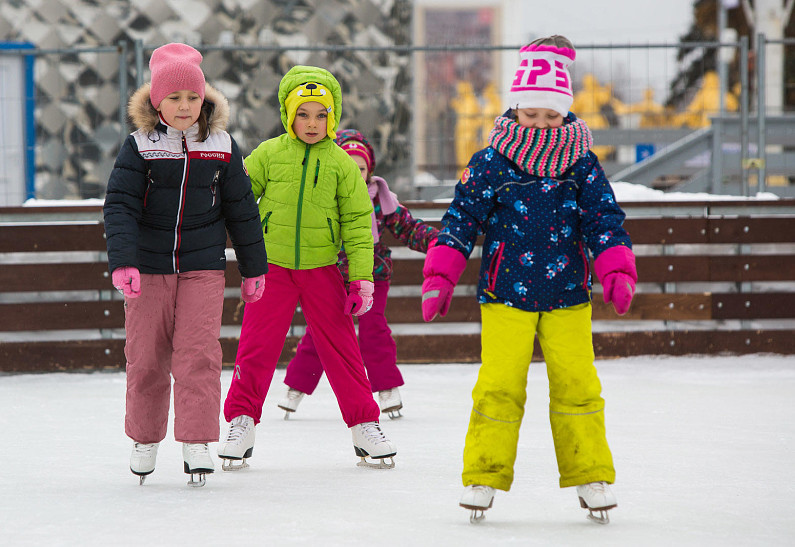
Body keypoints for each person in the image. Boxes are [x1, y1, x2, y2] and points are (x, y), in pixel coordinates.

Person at [420, 35, 637, 523]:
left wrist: (616, 267)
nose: (540, 125)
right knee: (499, 385)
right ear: (516, 108)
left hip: (568, 295)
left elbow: (603, 219)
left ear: (566, 112)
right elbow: (461, 218)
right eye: (531, 114)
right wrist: (441, 274)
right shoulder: (492, 162)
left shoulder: (581, 164)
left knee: (578, 384)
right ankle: (483, 475)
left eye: (551, 116)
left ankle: (591, 475)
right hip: (505, 295)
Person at [103, 43, 268, 487]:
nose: (184, 106)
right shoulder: (140, 145)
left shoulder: (221, 146)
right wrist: (124, 261)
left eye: (193, 97)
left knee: (198, 355)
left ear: (205, 99)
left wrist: (254, 268)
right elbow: (120, 205)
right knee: (146, 357)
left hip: (203, 266)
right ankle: (145, 438)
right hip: (149, 268)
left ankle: (196, 440)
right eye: (174, 97)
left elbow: (242, 210)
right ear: (157, 101)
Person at [217, 66, 397, 470]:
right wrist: (245, 256)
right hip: (272, 268)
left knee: (342, 349)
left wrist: (361, 279)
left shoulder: (342, 164)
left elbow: (357, 223)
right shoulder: (268, 154)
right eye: (303, 114)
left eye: (321, 115)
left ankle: (364, 425)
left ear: (332, 117)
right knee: (256, 346)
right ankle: (241, 421)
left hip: (322, 269)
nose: (312, 123)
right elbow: (239, 201)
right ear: (288, 114)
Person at [277, 129, 439, 420]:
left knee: (374, 330)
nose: (355, 174)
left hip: (373, 276)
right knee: (321, 333)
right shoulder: (323, 197)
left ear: (370, 170)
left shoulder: (381, 199)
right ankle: (296, 387)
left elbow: (408, 228)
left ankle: (387, 388)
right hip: (331, 278)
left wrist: (438, 243)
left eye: (361, 168)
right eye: (349, 167)